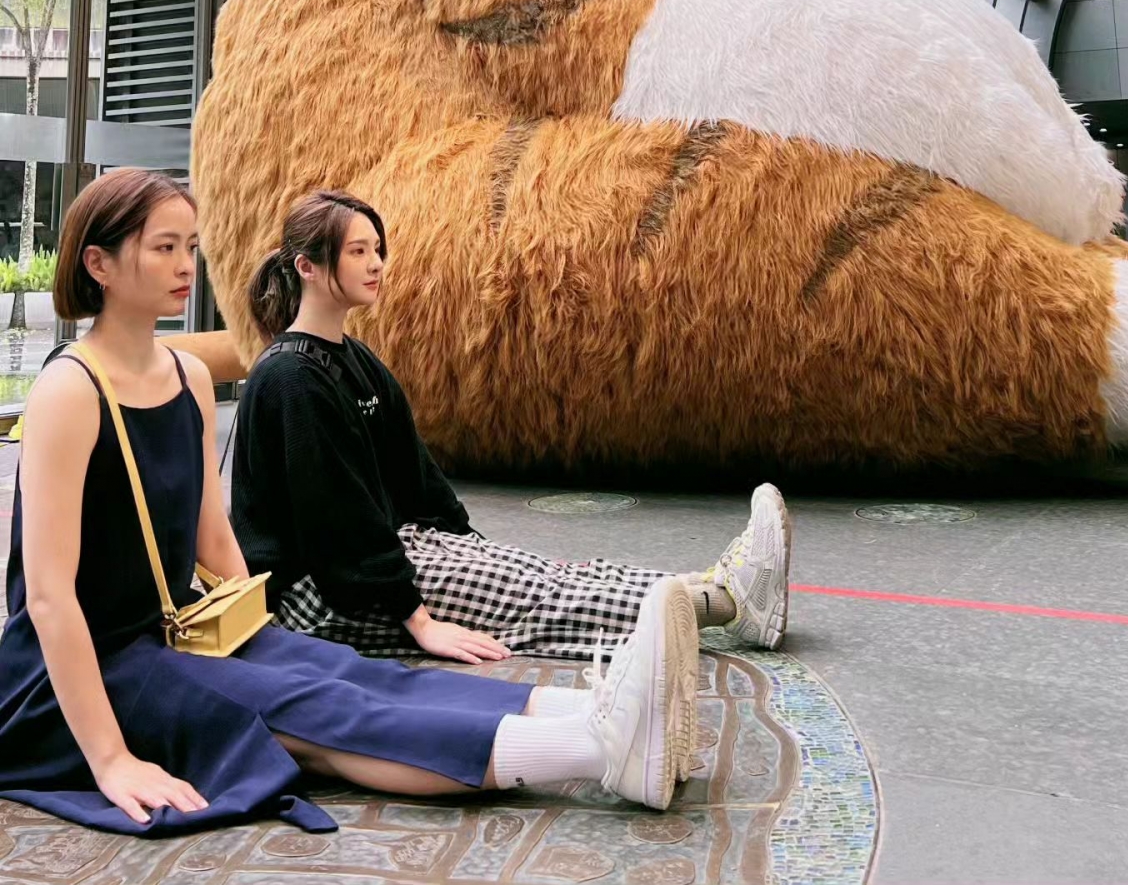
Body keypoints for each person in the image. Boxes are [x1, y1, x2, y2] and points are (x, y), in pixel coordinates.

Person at [0, 169, 698, 836]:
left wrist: (260, 642)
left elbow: (212, 533)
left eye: (190, 247)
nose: (186, 265)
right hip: (82, 671)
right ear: (98, 264)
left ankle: (596, 707)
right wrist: (111, 759)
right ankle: (600, 751)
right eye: (163, 248)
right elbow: (50, 599)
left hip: (175, 629)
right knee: (314, 710)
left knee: (343, 671)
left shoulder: (185, 376)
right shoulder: (70, 390)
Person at [232, 190, 792, 666]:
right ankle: (724, 606)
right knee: (528, 597)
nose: (376, 263)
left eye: (377, 249)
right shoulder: (290, 379)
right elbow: (337, 523)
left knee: (527, 570)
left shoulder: (352, 358)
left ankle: (713, 587)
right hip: (315, 596)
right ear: (307, 266)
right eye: (358, 252)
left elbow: (413, 475)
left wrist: (466, 544)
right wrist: (419, 621)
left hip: (369, 560)